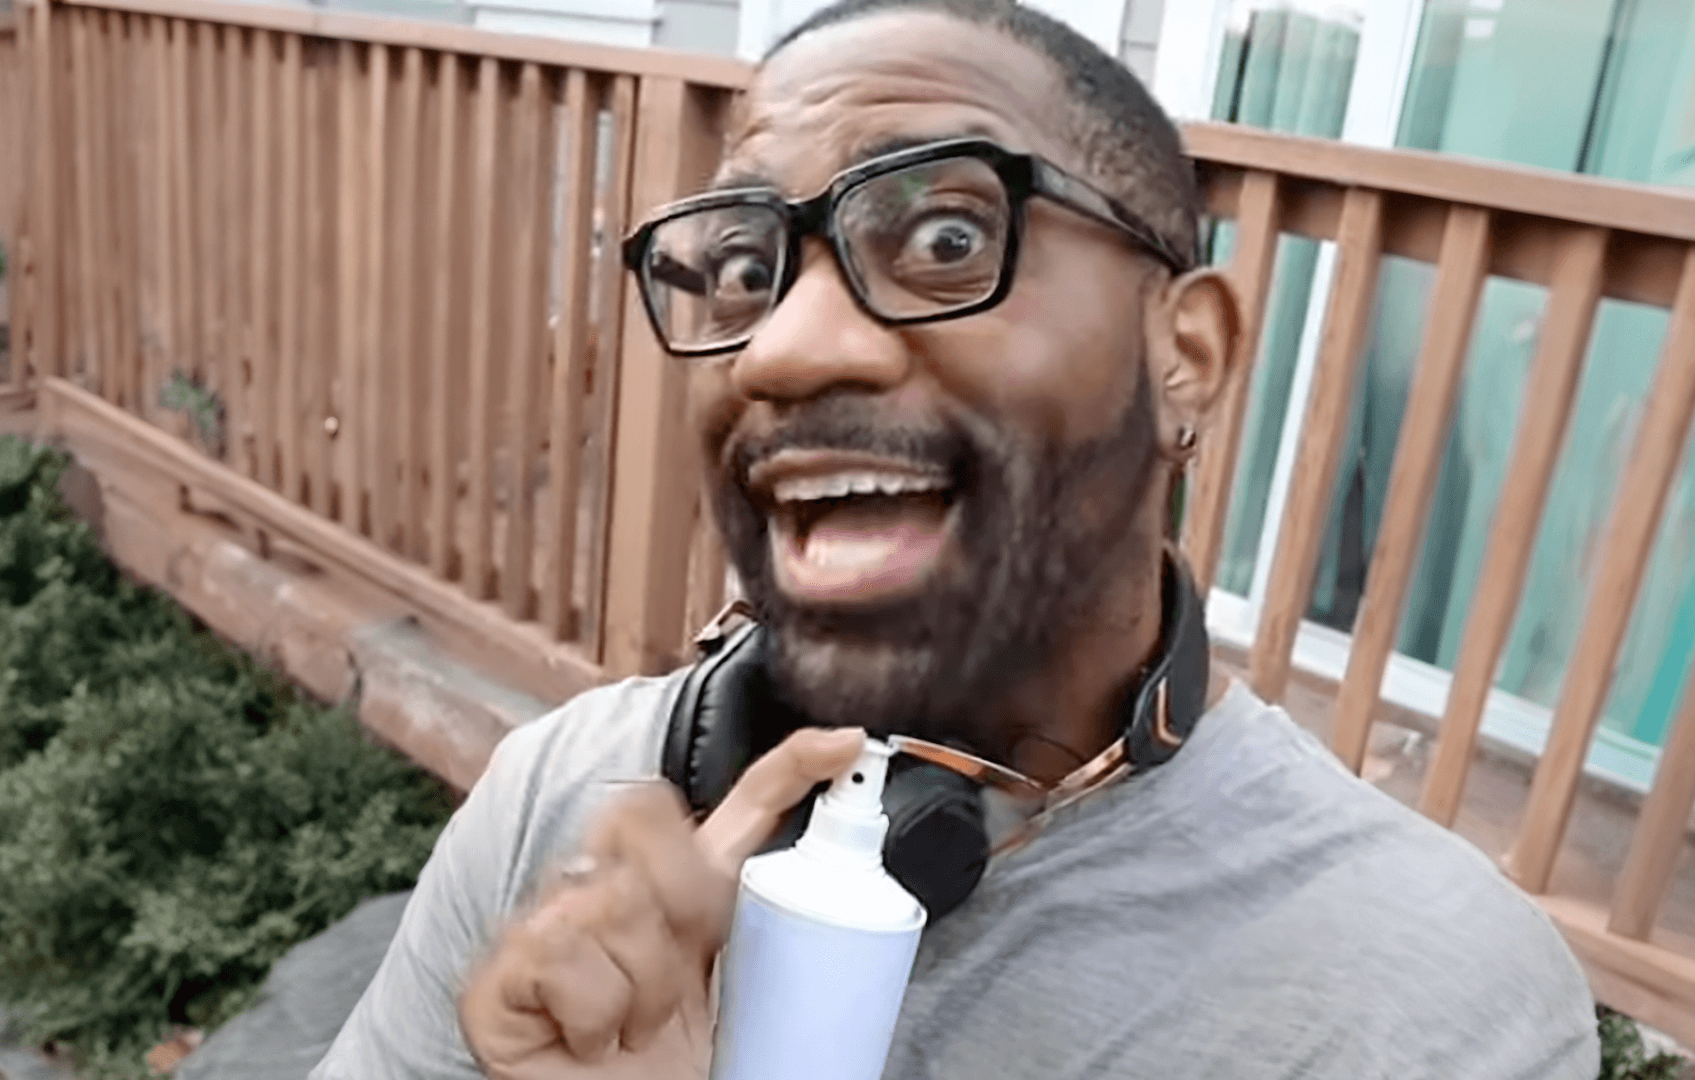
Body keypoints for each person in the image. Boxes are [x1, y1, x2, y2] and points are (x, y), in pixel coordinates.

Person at [313, 1, 1599, 1077]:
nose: (783, 347)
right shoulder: (561, 799)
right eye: (752, 270)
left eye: (947, 238)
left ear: (1184, 357)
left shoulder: (1421, 1003)